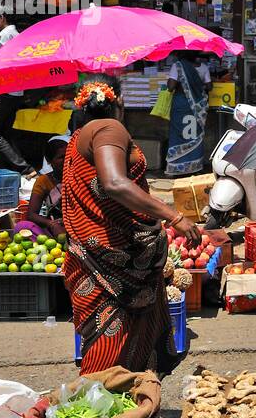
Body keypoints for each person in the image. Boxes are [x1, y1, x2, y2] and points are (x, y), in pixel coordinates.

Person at [62, 76, 203, 374]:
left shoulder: (80, 135)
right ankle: (104, 410)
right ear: (118, 102)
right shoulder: (108, 128)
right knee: (112, 346)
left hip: (97, 255)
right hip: (112, 258)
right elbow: (114, 183)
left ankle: (125, 407)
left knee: (116, 345)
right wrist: (174, 216)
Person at [0, 10, 37, 179]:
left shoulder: (6, 35)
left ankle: (24, 168)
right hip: (16, 91)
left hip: (5, 90)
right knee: (4, 132)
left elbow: (0, 63)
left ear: (2, 18)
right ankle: (3, 167)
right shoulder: (17, 35)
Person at [164, 52, 211, 176]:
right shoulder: (204, 67)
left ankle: (177, 167)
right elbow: (209, 86)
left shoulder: (178, 66)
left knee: (178, 134)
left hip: (181, 103)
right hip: (198, 106)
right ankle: (195, 166)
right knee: (195, 134)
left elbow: (170, 86)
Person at [21, 136, 69, 238]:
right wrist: (51, 224)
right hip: (56, 227)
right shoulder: (43, 181)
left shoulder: (79, 177)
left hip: (79, 225)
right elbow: (31, 215)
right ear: (49, 160)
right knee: (23, 226)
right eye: (61, 157)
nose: (67, 160)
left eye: (68, 156)